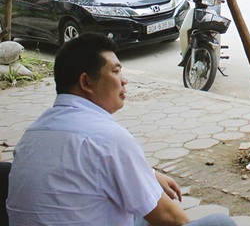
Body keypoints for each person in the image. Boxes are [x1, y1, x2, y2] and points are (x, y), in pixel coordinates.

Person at [6, 33, 236, 226]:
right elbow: (169, 218)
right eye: (115, 72)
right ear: (86, 83)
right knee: (221, 222)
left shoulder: (34, 133)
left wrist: (149, 175)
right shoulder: (107, 138)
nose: (124, 80)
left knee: (136, 204)